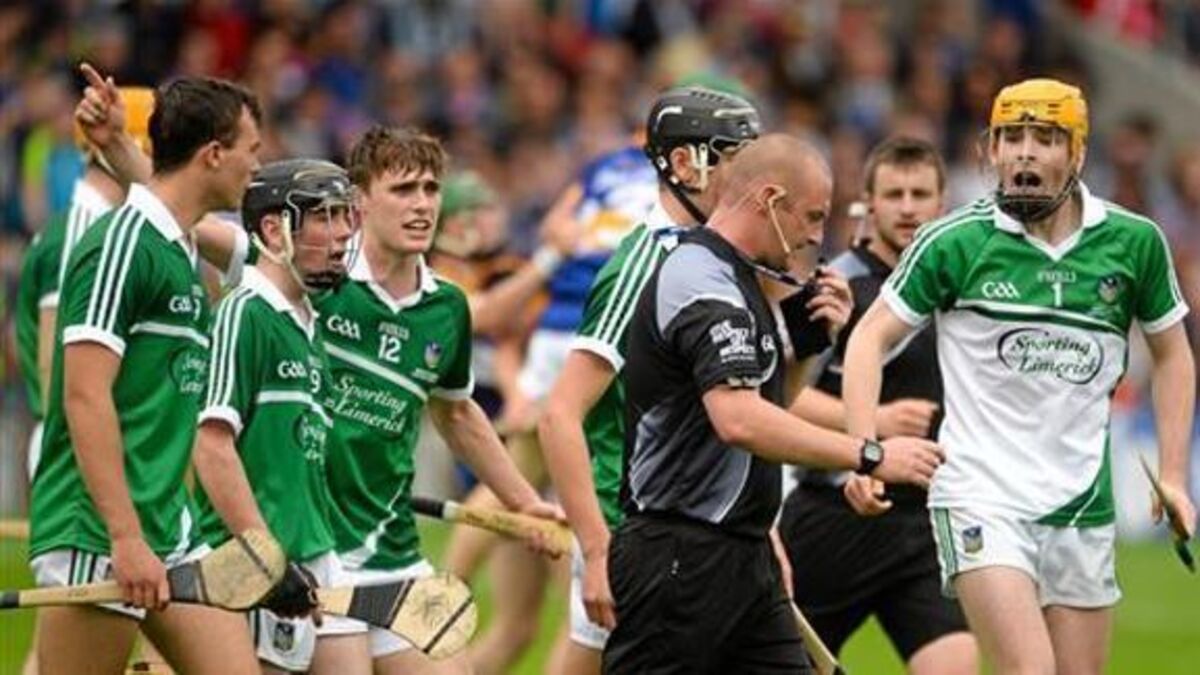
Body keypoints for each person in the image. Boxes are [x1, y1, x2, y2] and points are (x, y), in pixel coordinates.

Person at [843, 78, 1196, 675]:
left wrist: (1173, 475)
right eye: (1011, 138)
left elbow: (1173, 355)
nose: (1024, 154)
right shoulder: (954, 242)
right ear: (992, 150)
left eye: (1045, 139)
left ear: (1077, 153)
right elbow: (868, 338)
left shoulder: (1135, 242)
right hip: (980, 496)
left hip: (1082, 504)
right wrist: (863, 450)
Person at [604, 133, 945, 674]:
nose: (815, 236)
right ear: (769, 200)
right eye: (812, 216)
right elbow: (739, 420)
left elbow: (772, 409)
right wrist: (870, 453)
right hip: (679, 557)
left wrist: (810, 341)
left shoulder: (740, 279)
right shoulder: (701, 279)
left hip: (744, 553)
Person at [28, 73, 264, 674]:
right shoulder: (121, 245)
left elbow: (171, 194)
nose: (257, 167)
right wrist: (124, 536)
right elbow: (84, 397)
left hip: (167, 525)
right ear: (214, 154)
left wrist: (114, 143)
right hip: (98, 531)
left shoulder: (181, 242)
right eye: (252, 150)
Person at [321, 125, 563, 675]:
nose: (422, 204)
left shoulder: (446, 305)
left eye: (430, 189)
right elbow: (219, 241)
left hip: (390, 550)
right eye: (403, 189)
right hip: (311, 549)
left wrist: (524, 502)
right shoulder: (318, 280)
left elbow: (456, 412)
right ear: (360, 201)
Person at [538, 84, 761, 675]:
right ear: (684, 164)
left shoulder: (722, 259)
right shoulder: (642, 267)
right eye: (735, 160)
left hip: (705, 532)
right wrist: (597, 550)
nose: (755, 180)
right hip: (636, 534)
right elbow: (559, 415)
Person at [781, 137, 978, 674]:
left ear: (942, 203)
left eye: (920, 194)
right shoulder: (832, 286)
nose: (908, 208)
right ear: (868, 203)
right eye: (894, 194)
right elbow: (781, 401)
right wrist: (876, 425)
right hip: (833, 514)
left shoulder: (956, 288)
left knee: (957, 664)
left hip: (922, 521)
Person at [190, 159, 361, 674]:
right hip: (256, 561)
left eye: (345, 216)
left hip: (312, 552)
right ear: (273, 230)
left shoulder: (307, 323)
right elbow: (211, 445)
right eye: (325, 217)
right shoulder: (246, 312)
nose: (343, 232)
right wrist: (265, 556)